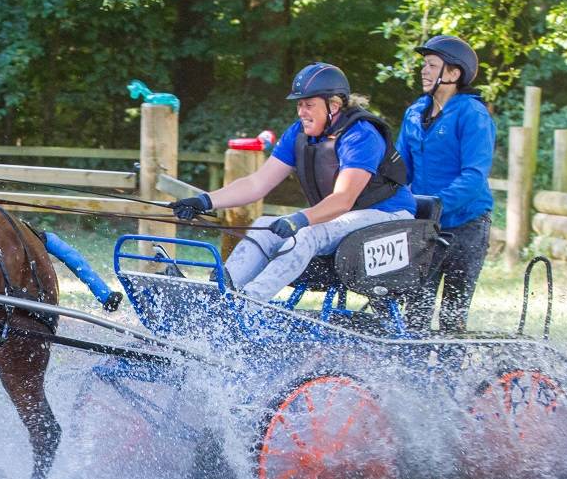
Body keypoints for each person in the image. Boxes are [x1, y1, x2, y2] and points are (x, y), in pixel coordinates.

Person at [172, 63, 416, 302]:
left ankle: (249, 303)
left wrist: (298, 220)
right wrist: (204, 201)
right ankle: (218, 294)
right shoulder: (298, 133)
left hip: (390, 217)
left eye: (309, 105)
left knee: (308, 233)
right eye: (299, 105)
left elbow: (343, 199)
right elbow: (257, 183)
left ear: (334, 105)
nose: (301, 112)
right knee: (264, 224)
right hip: (344, 218)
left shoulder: (361, 135)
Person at [396, 35, 496, 332]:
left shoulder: (472, 114)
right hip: (425, 226)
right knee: (415, 312)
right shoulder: (414, 113)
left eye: (432, 65)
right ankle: (413, 361)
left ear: (453, 73)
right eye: (424, 65)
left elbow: (474, 175)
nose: (424, 70)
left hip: (467, 225)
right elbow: (400, 170)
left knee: (453, 317)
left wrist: (437, 203)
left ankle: (453, 362)